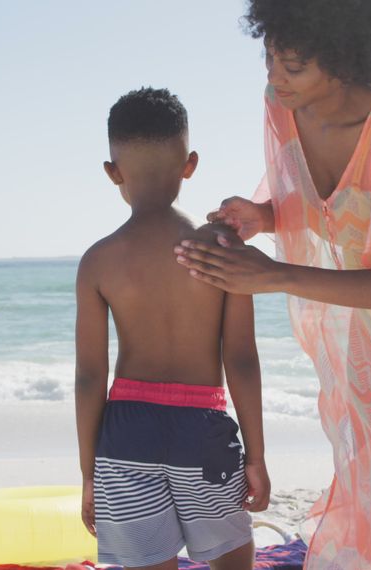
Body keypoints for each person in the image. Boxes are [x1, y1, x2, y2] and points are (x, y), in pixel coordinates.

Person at [173, 1, 371, 568]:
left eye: (293, 65)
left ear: (345, 58)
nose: (275, 76)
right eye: (270, 57)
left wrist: (273, 276)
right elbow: (315, 207)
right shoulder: (283, 105)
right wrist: (263, 215)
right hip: (367, 325)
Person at [75, 87, 270, 569]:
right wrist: (257, 456)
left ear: (112, 173)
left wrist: (90, 474)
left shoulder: (98, 261)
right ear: (190, 163)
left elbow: (88, 377)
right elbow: (241, 358)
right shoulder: (223, 246)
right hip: (200, 433)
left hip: (124, 439)